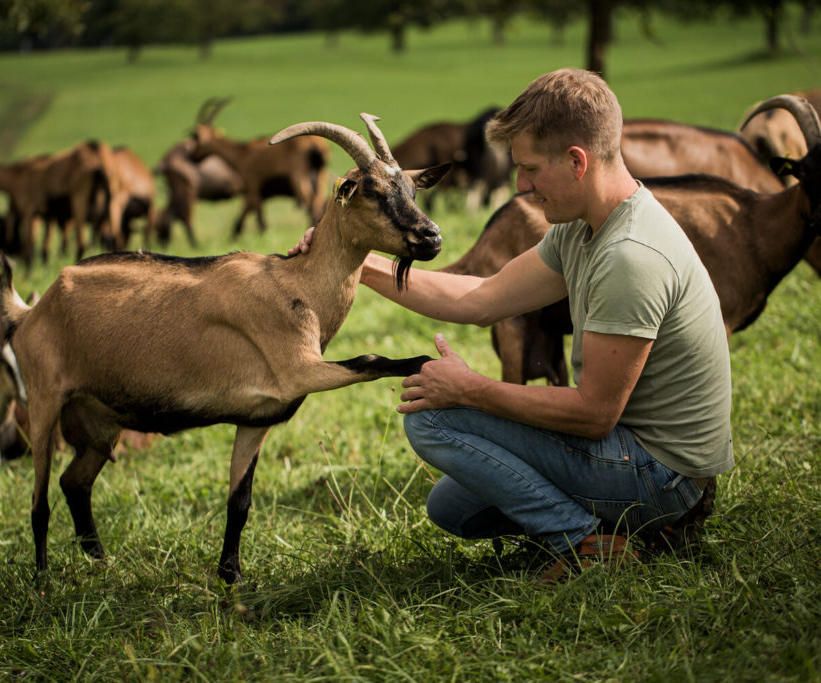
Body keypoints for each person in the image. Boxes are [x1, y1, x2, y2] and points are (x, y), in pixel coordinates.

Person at [291, 68, 733, 581]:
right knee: (454, 506)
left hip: (665, 477)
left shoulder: (629, 255)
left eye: (529, 169)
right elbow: (483, 297)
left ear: (576, 162)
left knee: (431, 419)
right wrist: (363, 265)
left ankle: (584, 543)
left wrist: (471, 389)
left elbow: (594, 414)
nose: (520, 185)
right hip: (639, 456)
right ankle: (630, 529)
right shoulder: (588, 226)